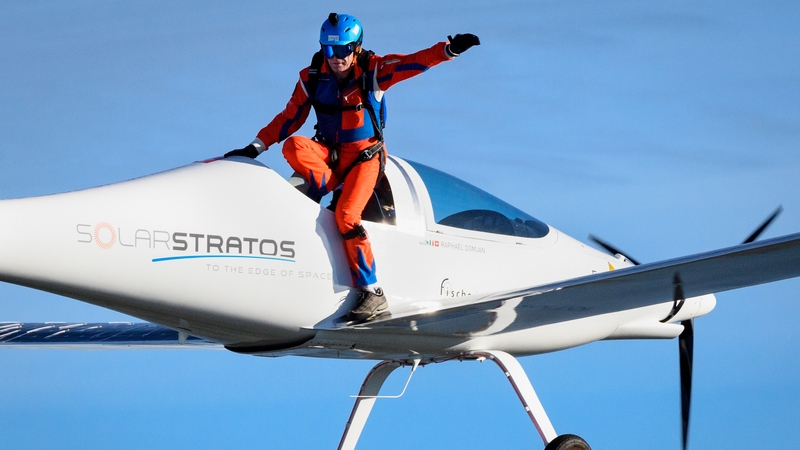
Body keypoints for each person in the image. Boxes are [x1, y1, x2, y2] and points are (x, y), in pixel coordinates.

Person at [225, 13, 479, 322]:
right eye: (329, 50)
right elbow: (290, 117)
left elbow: (412, 63)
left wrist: (447, 50)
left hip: (365, 158)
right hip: (332, 156)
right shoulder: (312, 77)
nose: (335, 58)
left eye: (343, 50)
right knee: (294, 146)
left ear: (356, 48)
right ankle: (328, 191)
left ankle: (371, 292)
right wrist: (255, 147)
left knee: (346, 216)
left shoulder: (373, 71)